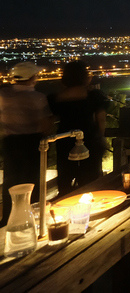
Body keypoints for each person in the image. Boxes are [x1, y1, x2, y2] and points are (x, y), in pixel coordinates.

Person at [0, 62, 54, 227]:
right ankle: (33, 218)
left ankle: (8, 219)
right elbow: (46, 124)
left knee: (11, 182)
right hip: (31, 143)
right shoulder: (37, 97)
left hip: (9, 143)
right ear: (31, 77)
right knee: (33, 181)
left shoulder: (4, 94)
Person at [48, 60, 108, 196]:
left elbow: (49, 122)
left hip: (64, 141)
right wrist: (101, 137)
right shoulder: (94, 97)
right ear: (84, 77)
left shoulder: (55, 98)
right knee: (91, 181)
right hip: (90, 140)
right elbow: (101, 119)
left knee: (65, 180)